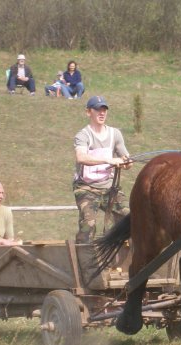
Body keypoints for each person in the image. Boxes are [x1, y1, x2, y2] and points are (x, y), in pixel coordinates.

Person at [73, 95, 131, 243]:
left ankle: (119, 255)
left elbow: (127, 161)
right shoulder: (83, 135)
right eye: (98, 110)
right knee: (89, 225)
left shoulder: (115, 134)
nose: (102, 113)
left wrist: (126, 163)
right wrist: (108, 160)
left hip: (109, 187)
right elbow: (81, 157)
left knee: (130, 217)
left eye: (104, 110)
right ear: (88, 112)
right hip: (86, 188)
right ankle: (83, 259)